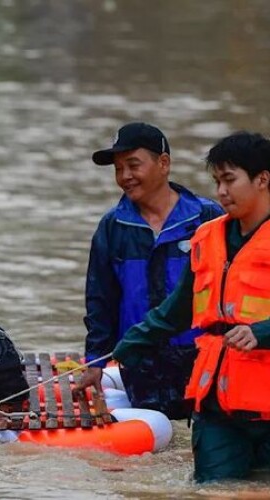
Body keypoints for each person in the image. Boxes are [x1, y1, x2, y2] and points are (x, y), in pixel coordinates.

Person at [113, 131, 270, 482]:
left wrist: (261, 332)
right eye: (217, 182)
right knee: (213, 489)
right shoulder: (207, 237)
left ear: (262, 179)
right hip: (219, 403)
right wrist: (129, 344)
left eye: (229, 180)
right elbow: (178, 310)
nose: (221, 192)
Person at [76, 122, 223, 420]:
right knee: (157, 437)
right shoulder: (113, 226)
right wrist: (95, 362)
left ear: (163, 163)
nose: (125, 177)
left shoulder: (207, 218)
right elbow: (100, 300)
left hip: (200, 356)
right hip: (141, 364)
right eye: (118, 169)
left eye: (133, 165)